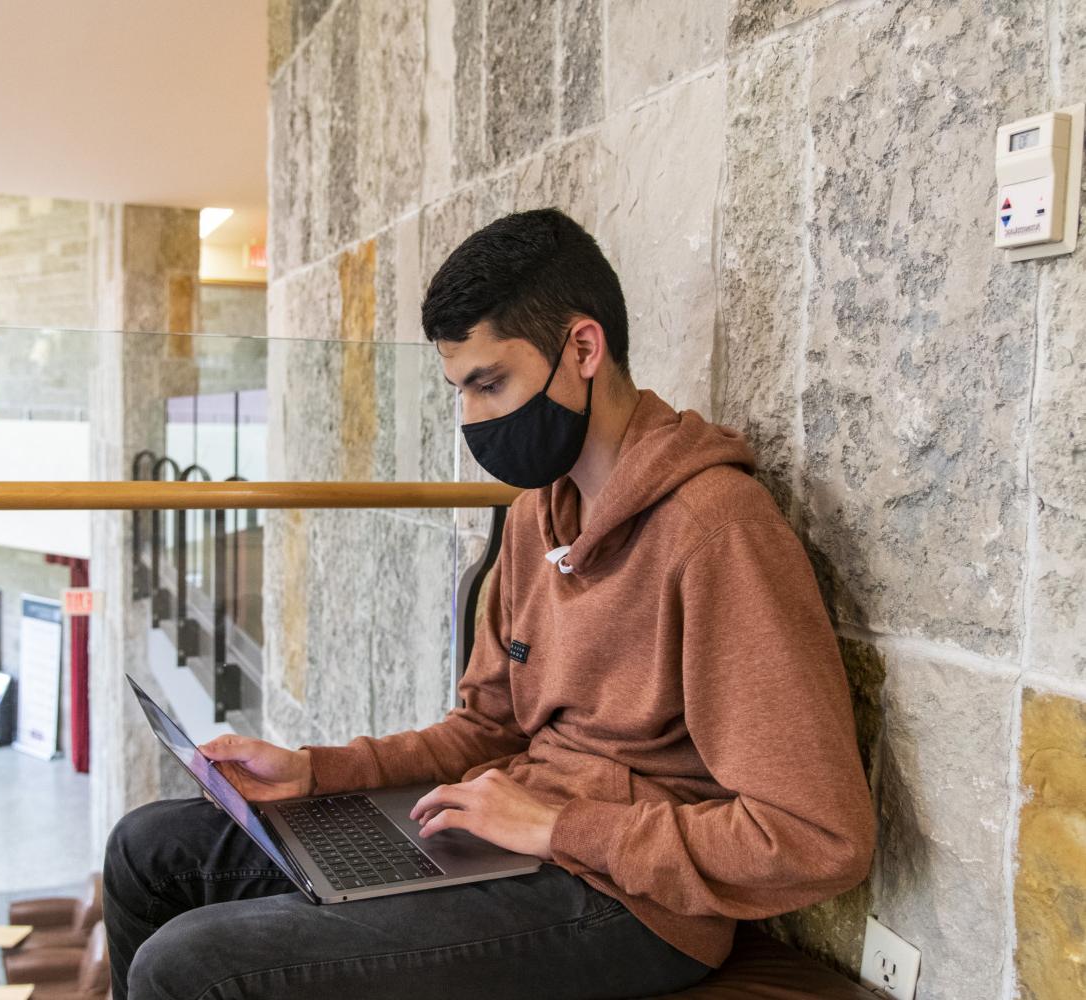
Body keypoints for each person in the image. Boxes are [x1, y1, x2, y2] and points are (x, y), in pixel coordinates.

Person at [102, 207, 876, 1000]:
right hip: (511, 836)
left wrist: (556, 828)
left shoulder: (716, 532)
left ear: (582, 348)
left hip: (628, 904)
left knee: (188, 965)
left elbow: (819, 838)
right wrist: (314, 772)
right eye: (459, 390)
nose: (472, 418)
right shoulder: (535, 513)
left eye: (489, 383)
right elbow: (484, 727)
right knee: (146, 850)